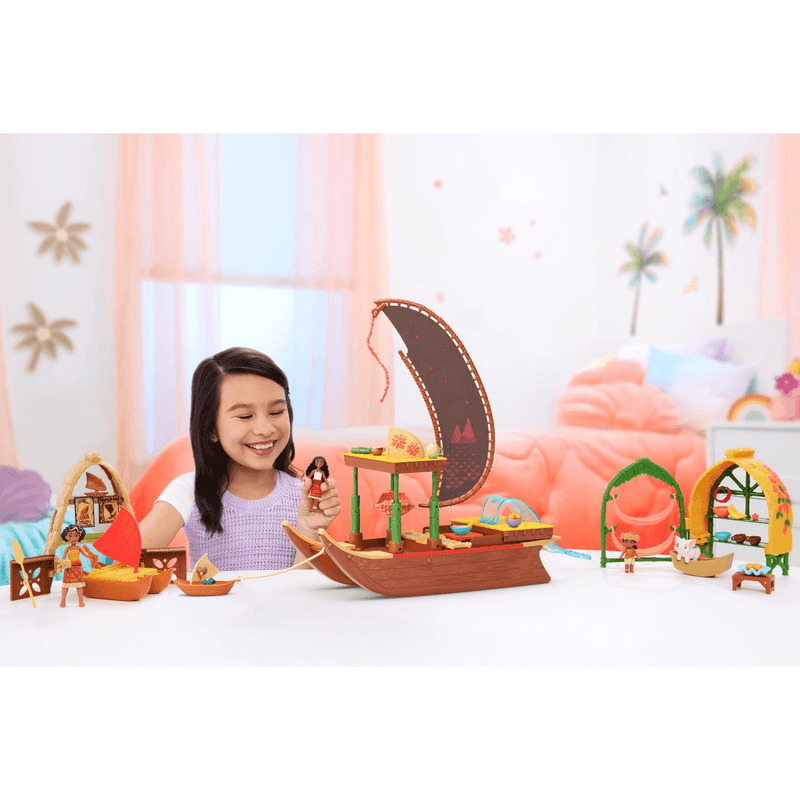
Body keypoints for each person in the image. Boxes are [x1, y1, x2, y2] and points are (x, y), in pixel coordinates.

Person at [139, 348, 341, 571]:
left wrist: (309, 531)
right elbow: (126, 561)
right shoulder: (189, 491)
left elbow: (303, 588)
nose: (265, 429)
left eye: (276, 412)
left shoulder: (302, 498)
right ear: (211, 428)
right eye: (245, 416)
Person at [57, 524, 92, 607]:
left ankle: (81, 600)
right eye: (70, 536)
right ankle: (63, 600)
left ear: (80, 536)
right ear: (66, 537)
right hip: (69, 568)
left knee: (79, 585)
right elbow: (63, 558)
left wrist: (91, 556)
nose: (73, 538)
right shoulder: (67, 549)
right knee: (66, 585)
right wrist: (61, 563)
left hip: (78, 567)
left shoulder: (79, 548)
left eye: (76, 536)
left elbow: (86, 555)